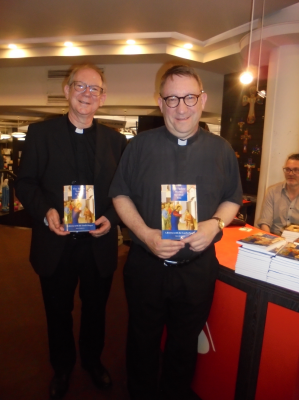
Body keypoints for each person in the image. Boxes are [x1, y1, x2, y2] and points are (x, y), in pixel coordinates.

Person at [109, 65, 242, 400]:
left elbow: (232, 199)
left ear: (202, 99)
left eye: (189, 97)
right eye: (172, 99)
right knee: (141, 345)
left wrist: (215, 224)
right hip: (145, 267)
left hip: (197, 270)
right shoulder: (138, 147)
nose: (181, 107)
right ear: (160, 101)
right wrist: (147, 235)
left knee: (184, 350)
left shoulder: (222, 150)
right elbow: (120, 194)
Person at [15, 64, 127, 400]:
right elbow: (25, 183)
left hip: (97, 242)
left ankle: (92, 361)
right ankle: (62, 367)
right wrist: (45, 211)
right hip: (56, 241)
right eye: (80, 86)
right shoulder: (40, 133)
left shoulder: (116, 140)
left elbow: (123, 189)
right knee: (57, 310)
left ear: (103, 98)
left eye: (95, 89)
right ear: (66, 90)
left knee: (96, 309)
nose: (87, 94)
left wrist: (110, 217)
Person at [258, 154, 299, 235]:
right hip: (274, 238)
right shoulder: (272, 191)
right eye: (287, 169)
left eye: (296, 170)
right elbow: (264, 223)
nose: (290, 173)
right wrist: (269, 241)